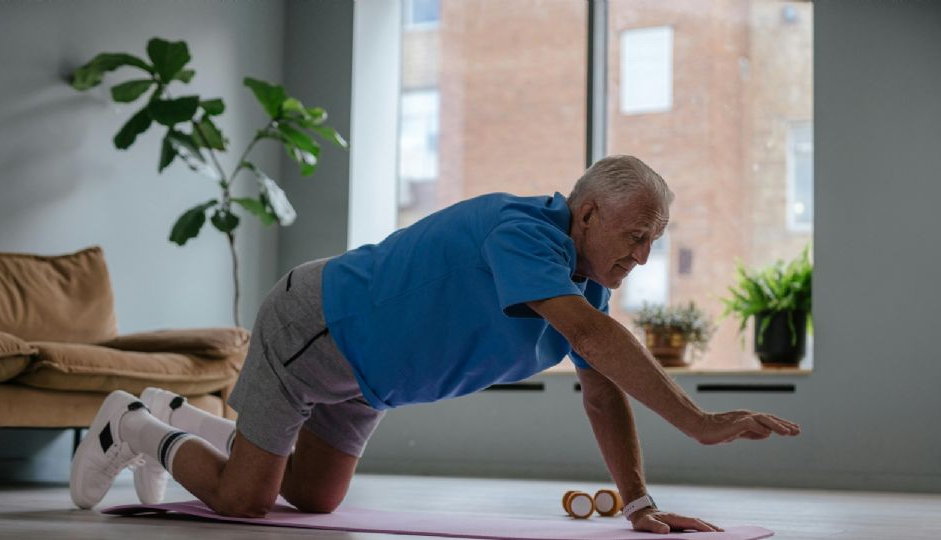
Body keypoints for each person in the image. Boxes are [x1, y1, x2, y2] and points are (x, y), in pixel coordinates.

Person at [70, 155, 800, 534]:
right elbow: (589, 338)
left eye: (656, 241)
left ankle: (175, 413)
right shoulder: (526, 234)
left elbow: (602, 390)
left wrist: (639, 503)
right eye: (635, 236)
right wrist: (700, 424)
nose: (642, 255)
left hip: (365, 381)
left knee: (315, 501)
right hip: (317, 327)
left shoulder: (588, 287)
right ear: (586, 215)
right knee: (244, 501)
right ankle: (132, 425)